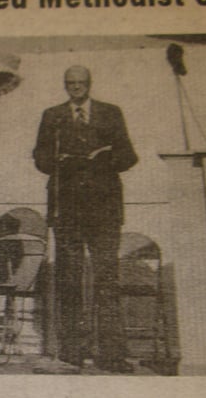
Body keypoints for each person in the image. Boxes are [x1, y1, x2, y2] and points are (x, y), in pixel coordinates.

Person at [33, 65, 138, 373]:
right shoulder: (52, 116)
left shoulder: (111, 113)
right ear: (65, 86)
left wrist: (105, 161)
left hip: (104, 209)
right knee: (69, 279)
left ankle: (112, 354)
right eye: (70, 83)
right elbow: (39, 158)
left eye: (80, 83)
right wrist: (58, 162)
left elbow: (129, 156)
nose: (75, 88)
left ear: (90, 84)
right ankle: (71, 351)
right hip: (67, 209)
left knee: (107, 278)